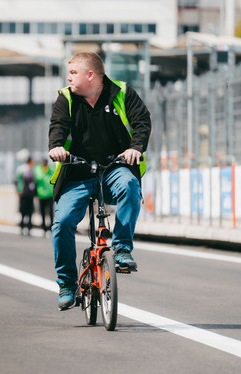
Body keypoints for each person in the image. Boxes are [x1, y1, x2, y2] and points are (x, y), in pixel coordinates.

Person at [48, 52, 151, 310]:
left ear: (90, 75)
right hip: (77, 173)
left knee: (130, 186)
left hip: (114, 166)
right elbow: (57, 127)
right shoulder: (66, 98)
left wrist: (135, 147)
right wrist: (57, 147)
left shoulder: (122, 93)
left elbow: (142, 122)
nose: (68, 77)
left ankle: (123, 249)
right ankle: (66, 282)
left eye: (73, 73)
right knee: (62, 223)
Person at [14, 156, 36, 236]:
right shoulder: (22, 169)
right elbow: (16, 180)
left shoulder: (33, 170)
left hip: (30, 193)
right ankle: (22, 227)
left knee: (30, 211)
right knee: (23, 211)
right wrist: (18, 191)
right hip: (23, 193)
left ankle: (29, 228)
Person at [33, 159, 55, 236]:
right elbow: (37, 180)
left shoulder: (51, 169)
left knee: (50, 212)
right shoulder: (38, 169)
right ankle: (44, 228)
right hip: (41, 194)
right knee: (42, 212)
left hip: (50, 194)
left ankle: (51, 228)